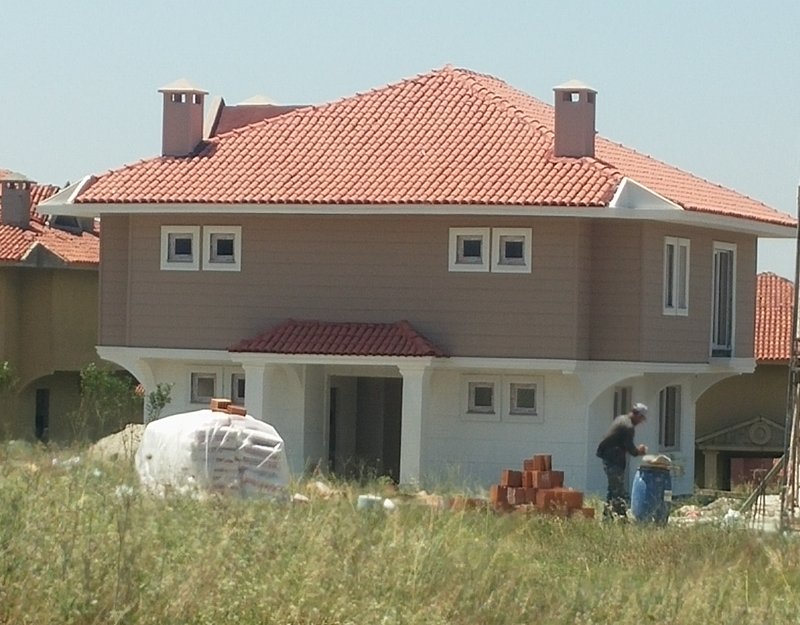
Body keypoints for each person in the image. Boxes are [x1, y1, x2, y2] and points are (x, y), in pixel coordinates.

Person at [596, 402, 648, 520]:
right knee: (618, 491)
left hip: (608, 457)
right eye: (641, 419)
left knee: (612, 489)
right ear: (638, 415)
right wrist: (640, 451)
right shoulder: (628, 427)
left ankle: (607, 518)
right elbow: (631, 449)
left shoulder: (621, 419)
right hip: (614, 459)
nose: (641, 422)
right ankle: (622, 519)